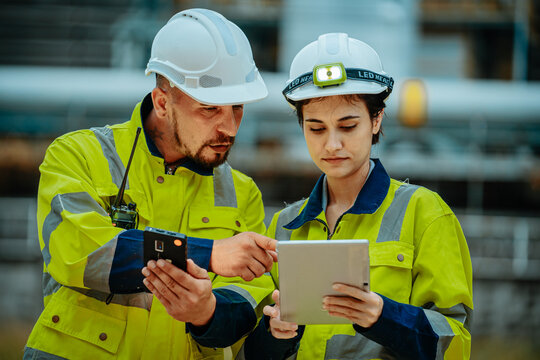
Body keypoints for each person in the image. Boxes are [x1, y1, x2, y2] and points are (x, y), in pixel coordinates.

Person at [24, 8, 277, 360]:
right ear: (162, 102)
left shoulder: (242, 192)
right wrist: (211, 254)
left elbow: (250, 302)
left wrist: (206, 313)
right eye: (209, 109)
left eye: (237, 107)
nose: (231, 128)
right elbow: (79, 252)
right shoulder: (78, 155)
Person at [242, 33, 473, 359]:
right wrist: (275, 335)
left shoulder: (426, 214)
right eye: (316, 128)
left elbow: (455, 341)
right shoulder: (284, 226)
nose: (332, 144)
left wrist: (384, 317)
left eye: (348, 126)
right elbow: (250, 350)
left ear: (376, 120)